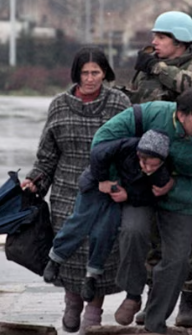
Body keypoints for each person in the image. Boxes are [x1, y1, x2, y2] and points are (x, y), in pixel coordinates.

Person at [92, 88, 192, 335]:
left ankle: (155, 323)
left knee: (177, 259)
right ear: (180, 115)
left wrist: (174, 187)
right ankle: (133, 294)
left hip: (179, 201)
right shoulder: (150, 114)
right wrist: (112, 179)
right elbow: (102, 140)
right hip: (137, 191)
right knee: (133, 231)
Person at [22, 47, 131, 335]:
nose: (90, 78)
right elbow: (47, 154)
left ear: (105, 73)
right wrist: (34, 181)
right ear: (76, 74)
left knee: (102, 251)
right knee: (69, 251)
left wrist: (122, 185)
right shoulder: (59, 105)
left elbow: (128, 150)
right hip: (67, 191)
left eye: (96, 72)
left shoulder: (119, 103)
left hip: (106, 190)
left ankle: (92, 318)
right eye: (85, 73)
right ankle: (72, 302)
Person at [124, 10, 192, 329]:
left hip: (182, 161)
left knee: (180, 234)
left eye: (161, 37)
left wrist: (155, 66)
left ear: (179, 42)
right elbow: (135, 104)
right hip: (148, 160)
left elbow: (190, 89)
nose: (153, 42)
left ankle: (187, 297)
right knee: (152, 233)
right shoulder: (148, 70)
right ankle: (155, 297)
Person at [42, 130, 172, 304]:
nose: (147, 169)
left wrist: (129, 196)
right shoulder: (126, 146)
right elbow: (98, 154)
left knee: (104, 232)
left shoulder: (161, 173)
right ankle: (56, 258)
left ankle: (91, 276)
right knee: (79, 223)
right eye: (144, 162)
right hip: (96, 185)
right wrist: (102, 180)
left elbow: (152, 196)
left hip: (118, 196)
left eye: (153, 166)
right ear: (138, 153)